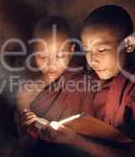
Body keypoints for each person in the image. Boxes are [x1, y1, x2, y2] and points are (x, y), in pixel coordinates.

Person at [40, 5, 135, 157]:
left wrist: (77, 141)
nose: (92, 60)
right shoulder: (84, 81)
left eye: (101, 50)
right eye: (87, 50)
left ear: (129, 44)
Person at [15, 16, 97, 157]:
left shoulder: (85, 84)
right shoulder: (26, 94)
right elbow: (26, 141)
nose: (51, 64)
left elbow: (92, 134)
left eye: (59, 56)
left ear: (71, 51)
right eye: (42, 56)